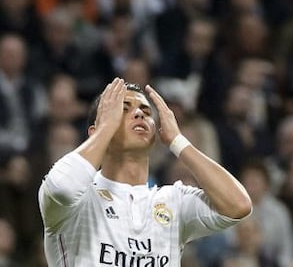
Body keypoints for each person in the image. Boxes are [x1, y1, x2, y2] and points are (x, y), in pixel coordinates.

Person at [38, 77, 252, 266]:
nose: (139, 113)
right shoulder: (79, 199)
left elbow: (238, 205)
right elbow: (61, 189)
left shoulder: (173, 201)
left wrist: (178, 141)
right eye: (124, 109)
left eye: (146, 111)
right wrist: (104, 131)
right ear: (97, 129)